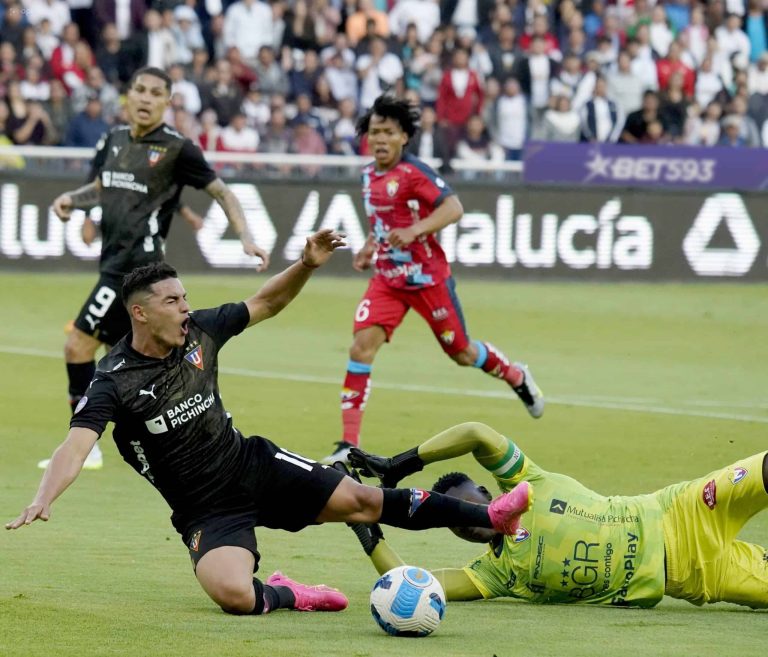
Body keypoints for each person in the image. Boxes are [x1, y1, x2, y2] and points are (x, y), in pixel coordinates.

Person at [5, 243, 534, 617]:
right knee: (234, 596)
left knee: (364, 501)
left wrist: (304, 264)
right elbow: (76, 444)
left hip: (252, 465)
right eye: (173, 301)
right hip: (204, 508)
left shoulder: (202, 331)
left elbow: (267, 302)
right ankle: (292, 593)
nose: (186, 308)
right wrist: (44, 496)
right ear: (139, 314)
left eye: (186, 297)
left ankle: (491, 515)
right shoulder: (114, 381)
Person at [42, 66, 269, 471]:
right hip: (113, 264)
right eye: (140, 90)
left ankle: (86, 445)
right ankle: (187, 437)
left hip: (137, 271)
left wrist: (245, 236)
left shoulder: (178, 148)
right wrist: (70, 201)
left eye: (156, 93)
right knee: (135, 361)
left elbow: (222, 192)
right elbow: (101, 188)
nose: (146, 99)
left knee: (77, 344)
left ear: (168, 101)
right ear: (128, 95)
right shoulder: (111, 140)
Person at [322, 95, 544, 464]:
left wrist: (416, 231)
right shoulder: (367, 175)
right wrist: (368, 246)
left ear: (404, 137)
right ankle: (348, 446)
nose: (379, 139)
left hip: (428, 280)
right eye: (374, 132)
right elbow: (381, 223)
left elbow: (453, 208)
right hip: (388, 281)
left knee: (462, 352)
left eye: (388, 133)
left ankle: (515, 375)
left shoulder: (415, 173)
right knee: (361, 347)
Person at [345, 422, 768, 609]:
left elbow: (476, 433)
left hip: (682, 510)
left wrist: (400, 464)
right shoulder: (496, 574)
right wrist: (361, 521)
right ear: (459, 535)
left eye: (473, 501)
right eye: (459, 522)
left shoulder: (530, 482)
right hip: (697, 577)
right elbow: (409, 583)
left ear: (488, 490)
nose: (471, 517)